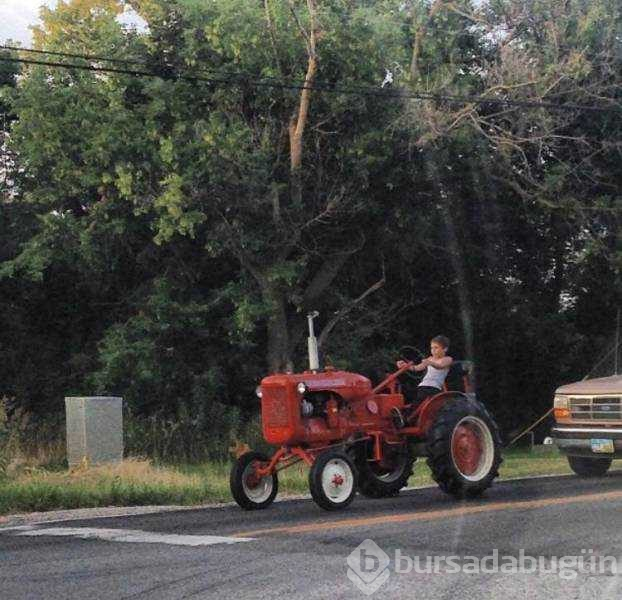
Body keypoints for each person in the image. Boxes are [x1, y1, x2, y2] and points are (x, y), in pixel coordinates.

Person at [392, 335, 453, 427]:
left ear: (445, 349)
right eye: (432, 348)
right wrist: (405, 366)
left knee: (421, 402)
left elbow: (440, 366)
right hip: (423, 385)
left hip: (434, 387)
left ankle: (405, 419)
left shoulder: (447, 359)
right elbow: (416, 368)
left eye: (436, 348)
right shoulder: (430, 359)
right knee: (416, 401)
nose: (433, 350)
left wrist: (430, 362)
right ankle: (405, 417)